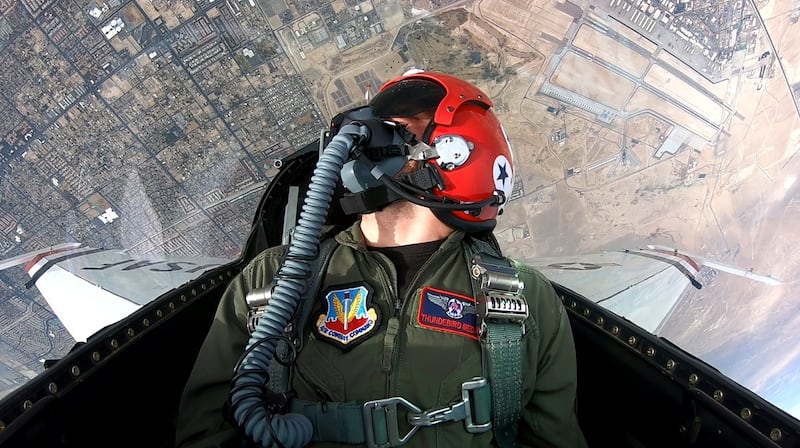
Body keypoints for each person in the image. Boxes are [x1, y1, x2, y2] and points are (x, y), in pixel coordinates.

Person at [176, 70, 587, 448]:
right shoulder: (273, 277)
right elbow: (205, 430)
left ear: (459, 156)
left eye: (401, 127)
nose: (367, 137)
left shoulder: (525, 299)